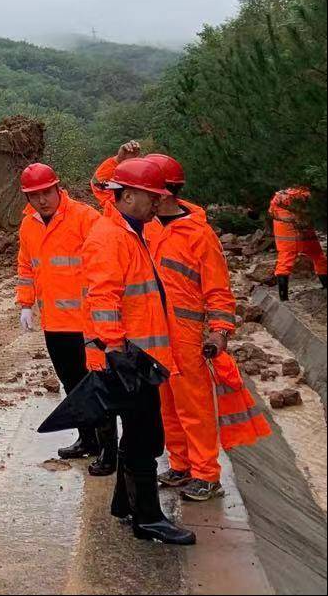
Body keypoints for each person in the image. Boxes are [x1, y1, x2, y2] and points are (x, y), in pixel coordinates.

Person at [83, 156, 195, 546]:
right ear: (127, 196)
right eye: (150, 197)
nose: (155, 204)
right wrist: (115, 350)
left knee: (137, 434)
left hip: (141, 356)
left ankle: (123, 504)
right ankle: (147, 518)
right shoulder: (109, 237)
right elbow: (103, 297)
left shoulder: (132, 231)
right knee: (145, 438)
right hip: (130, 356)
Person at [138, 154, 237, 502]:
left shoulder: (199, 234)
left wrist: (219, 331)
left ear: (162, 193)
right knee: (166, 403)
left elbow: (218, 289)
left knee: (194, 407)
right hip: (155, 333)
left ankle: (207, 474)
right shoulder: (147, 228)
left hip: (187, 334)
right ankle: (180, 464)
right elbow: (108, 196)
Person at [15, 163, 106, 466]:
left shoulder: (84, 218)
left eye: (46, 192)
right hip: (54, 323)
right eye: (34, 195)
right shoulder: (28, 224)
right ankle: (87, 439)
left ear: (58, 188)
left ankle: (108, 448)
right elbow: (27, 267)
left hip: (88, 324)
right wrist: (25, 303)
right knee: (71, 383)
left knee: (96, 385)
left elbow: (106, 264)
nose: (42, 200)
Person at [269, 186, 327, 300]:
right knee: (319, 257)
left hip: (285, 235)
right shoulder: (306, 195)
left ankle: (283, 298)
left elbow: (271, 212)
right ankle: (326, 286)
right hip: (301, 233)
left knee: (284, 263)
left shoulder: (280, 197)